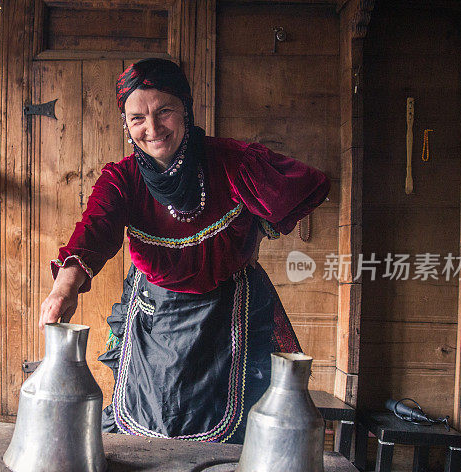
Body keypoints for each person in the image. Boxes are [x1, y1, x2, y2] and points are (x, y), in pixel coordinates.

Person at [38, 59, 329, 444]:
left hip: (230, 312)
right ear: (125, 123)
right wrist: (64, 289)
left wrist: (258, 228)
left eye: (165, 112)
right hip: (154, 319)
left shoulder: (233, 163)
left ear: (186, 110)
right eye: (137, 117)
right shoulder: (122, 179)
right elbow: (93, 232)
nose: (153, 129)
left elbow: (310, 184)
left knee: (236, 439)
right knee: (150, 427)